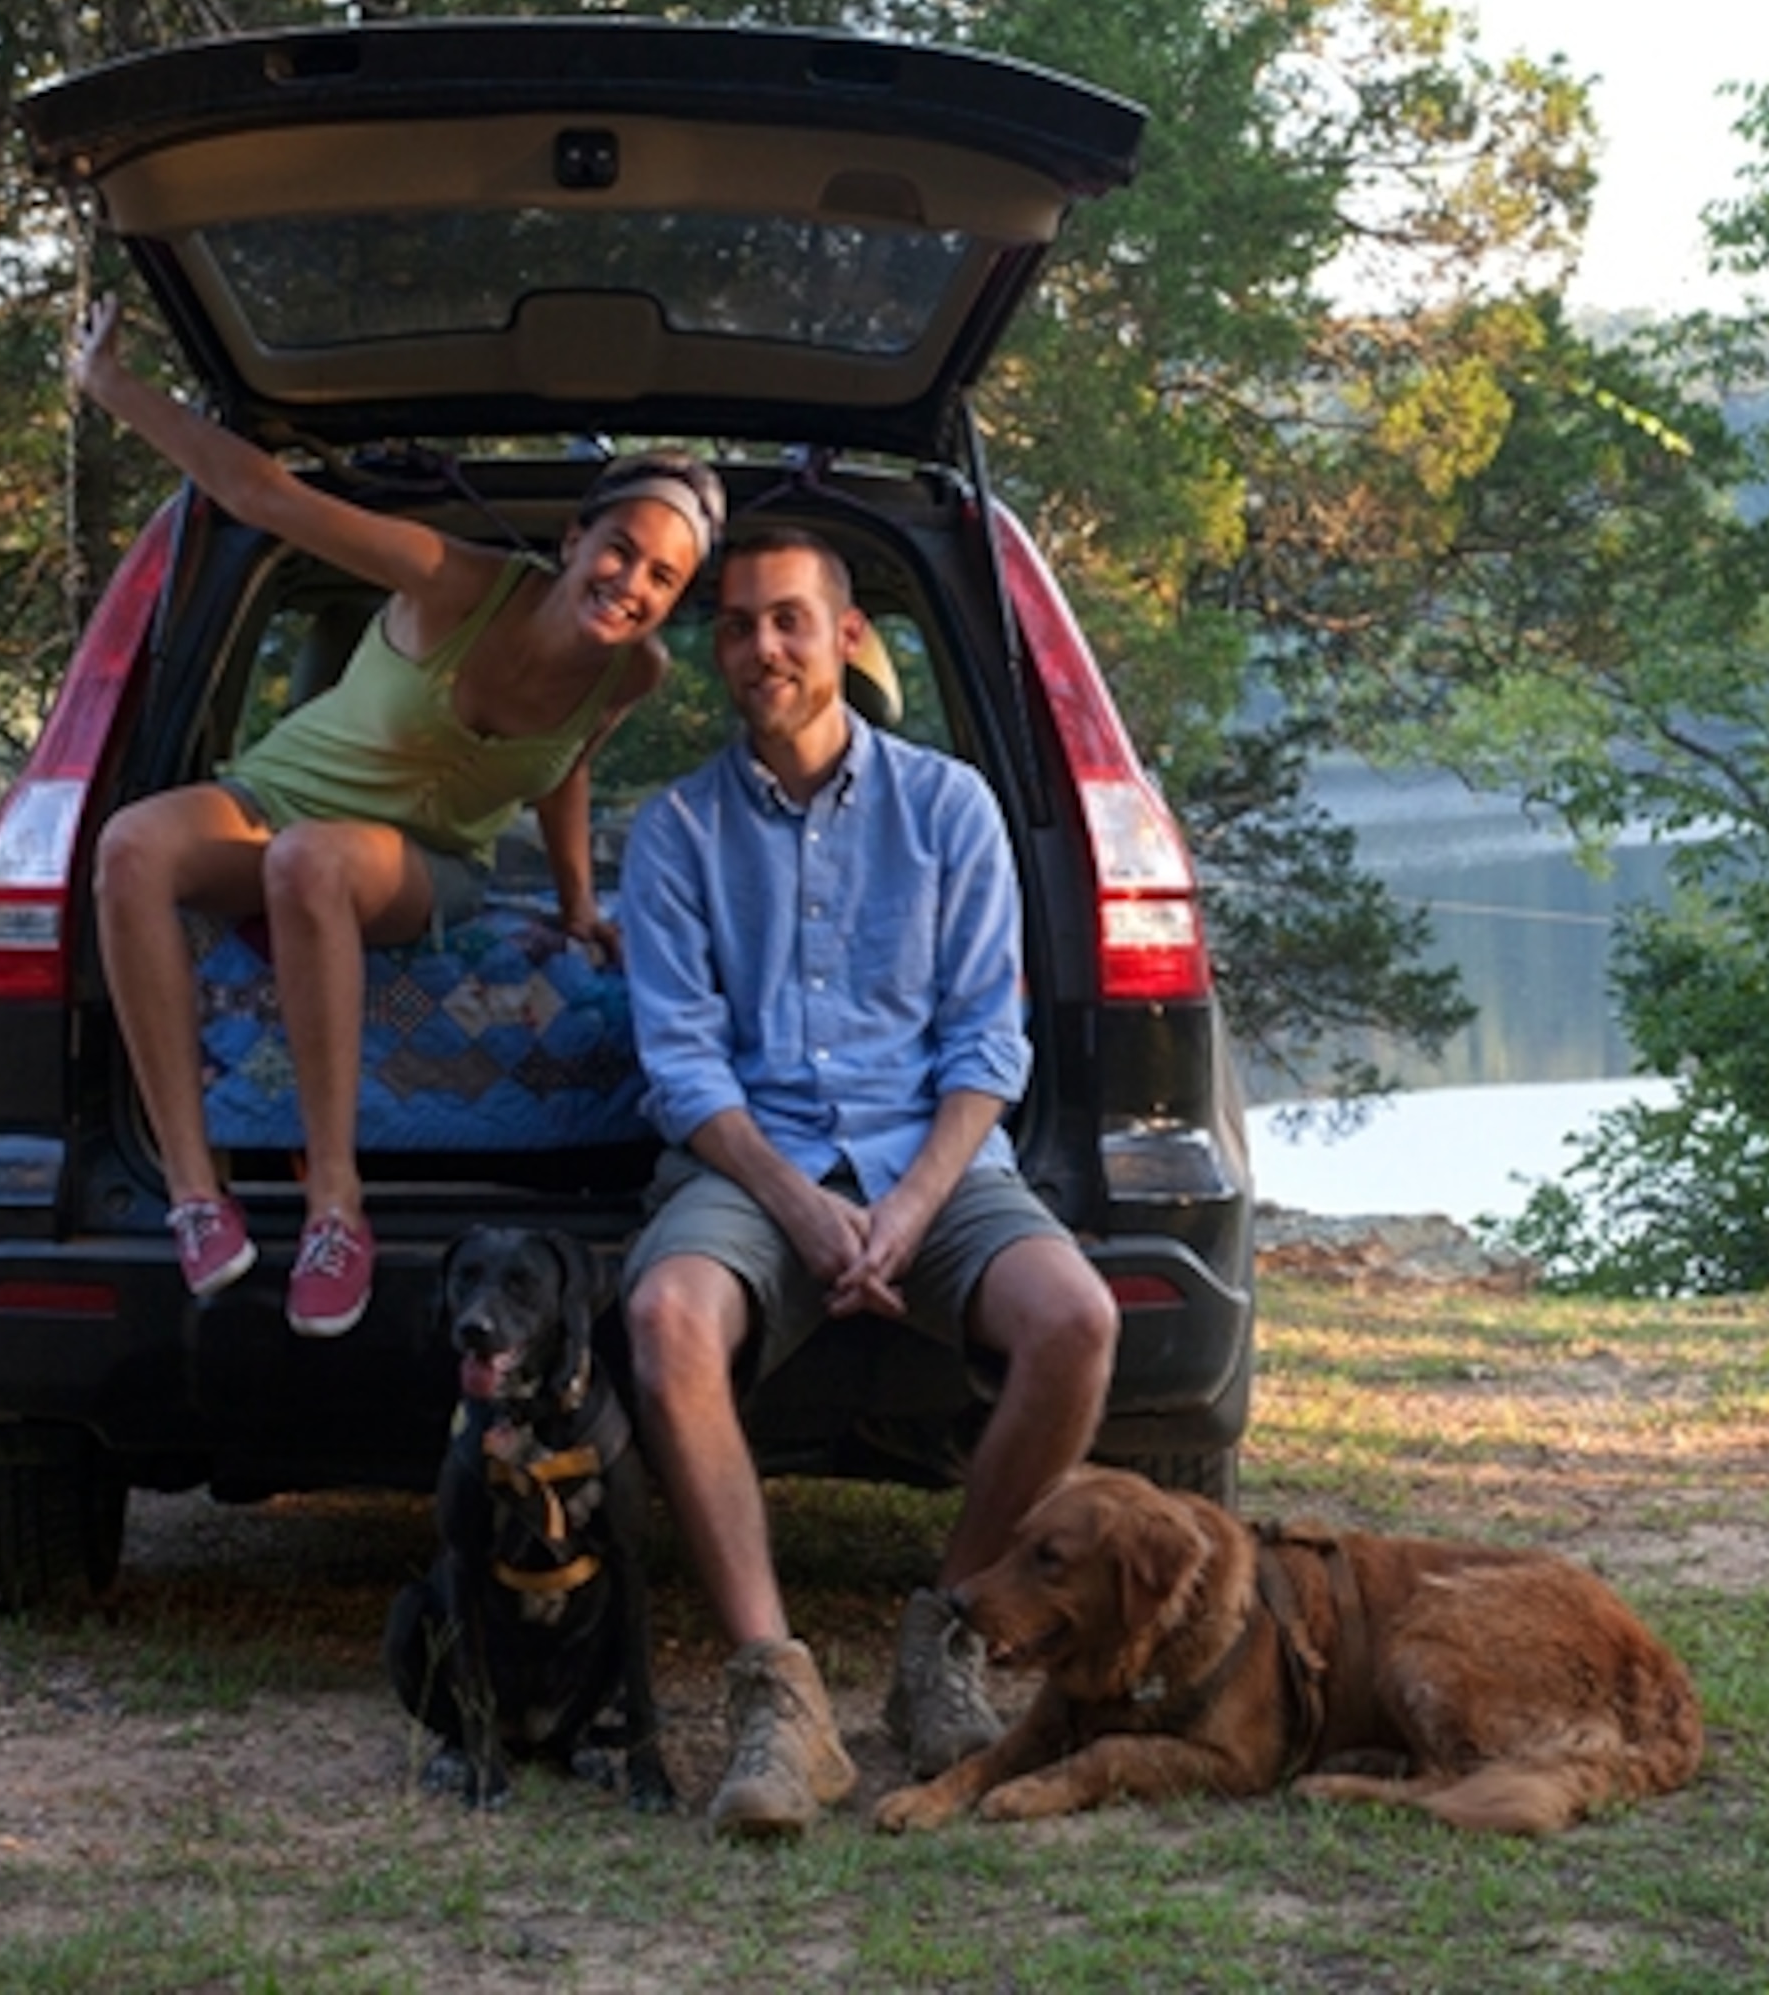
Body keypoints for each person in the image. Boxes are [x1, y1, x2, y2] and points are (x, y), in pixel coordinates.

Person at [71, 294, 720, 1336]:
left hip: (421, 863)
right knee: (131, 844)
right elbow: (260, 492)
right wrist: (115, 388)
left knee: (313, 864)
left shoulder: (630, 670)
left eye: (663, 577)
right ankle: (197, 1194)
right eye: (622, 550)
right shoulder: (446, 579)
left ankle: (338, 1206)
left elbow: (562, 772)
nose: (632, 584)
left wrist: (578, 904)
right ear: (573, 535)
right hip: (271, 797)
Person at [615, 526, 1117, 1838]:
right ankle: (778, 1697)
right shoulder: (674, 830)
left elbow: (985, 1045)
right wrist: (797, 1201)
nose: (759, 647)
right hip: (754, 1162)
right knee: (667, 1314)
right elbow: (681, 1066)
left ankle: (943, 1640)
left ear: (845, 635)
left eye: (787, 618)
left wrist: (903, 1206)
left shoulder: (949, 807)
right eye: (733, 625)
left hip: (931, 1159)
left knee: (1079, 1318)